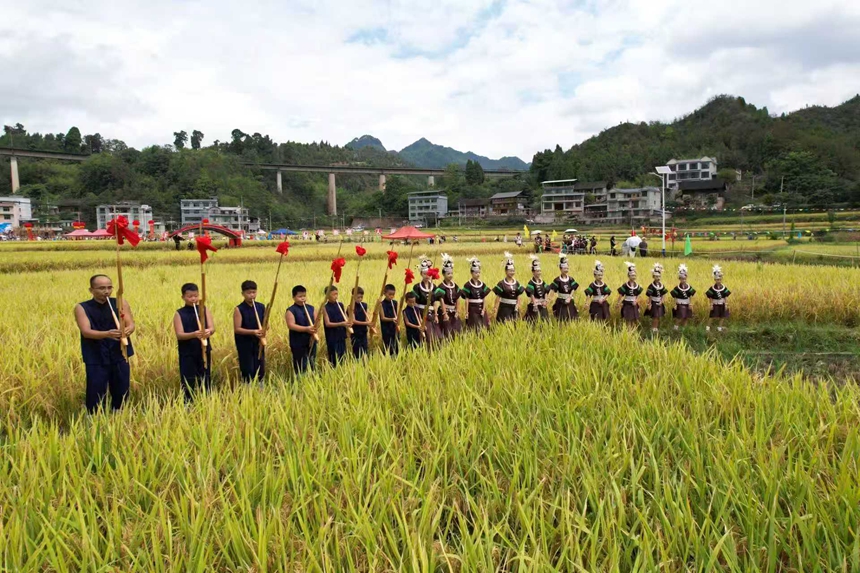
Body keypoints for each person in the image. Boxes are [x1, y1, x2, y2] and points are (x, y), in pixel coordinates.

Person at [74, 274, 136, 413]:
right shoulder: (82, 307)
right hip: (95, 354)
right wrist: (107, 334)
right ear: (91, 290)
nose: (106, 291)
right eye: (101, 288)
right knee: (96, 389)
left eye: (109, 287)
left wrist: (127, 330)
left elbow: (131, 324)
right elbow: (86, 331)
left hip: (119, 352)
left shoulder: (120, 302)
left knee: (121, 388)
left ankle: (120, 416)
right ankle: (94, 418)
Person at [173, 283, 215, 402]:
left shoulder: (204, 309)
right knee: (188, 379)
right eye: (190, 296)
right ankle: (188, 403)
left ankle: (207, 400)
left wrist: (208, 331)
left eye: (195, 296)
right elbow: (179, 335)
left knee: (205, 377)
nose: (193, 299)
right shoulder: (179, 313)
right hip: (187, 352)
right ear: (183, 297)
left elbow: (212, 328)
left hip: (204, 349)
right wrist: (194, 334)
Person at [232, 280, 266, 384]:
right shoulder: (239, 309)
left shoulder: (261, 306)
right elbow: (237, 329)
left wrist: (264, 328)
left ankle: (260, 390)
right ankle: (248, 391)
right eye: (248, 293)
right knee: (248, 369)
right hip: (245, 343)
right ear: (243, 294)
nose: (252, 295)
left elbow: (266, 324)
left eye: (254, 292)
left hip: (258, 341)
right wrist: (253, 332)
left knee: (260, 367)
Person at [285, 285, 317, 375]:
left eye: (304, 296)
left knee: (312, 361)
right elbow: (291, 325)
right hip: (298, 341)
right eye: (300, 296)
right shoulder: (291, 310)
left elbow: (316, 322)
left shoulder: (311, 308)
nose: (303, 298)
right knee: (300, 364)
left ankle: (312, 379)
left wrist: (313, 332)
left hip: (311, 339)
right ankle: (300, 381)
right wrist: (306, 329)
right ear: (293, 297)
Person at [413, 257, 442, 346]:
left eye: (428, 274)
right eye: (425, 274)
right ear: (421, 274)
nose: (427, 276)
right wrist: (418, 318)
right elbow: (415, 303)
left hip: (432, 313)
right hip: (422, 313)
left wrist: (436, 315)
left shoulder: (434, 287)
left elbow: (435, 303)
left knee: (438, 336)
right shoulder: (417, 287)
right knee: (428, 336)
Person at [434, 253, 462, 338]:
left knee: (457, 331)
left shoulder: (455, 286)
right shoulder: (441, 287)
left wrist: (457, 311)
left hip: (453, 312)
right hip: (444, 312)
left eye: (451, 273)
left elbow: (457, 299)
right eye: (448, 274)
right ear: (443, 274)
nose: (450, 275)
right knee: (446, 332)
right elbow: (441, 300)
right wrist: (444, 313)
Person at [460, 256, 492, 330]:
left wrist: (484, 309)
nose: (478, 274)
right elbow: (466, 300)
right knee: (474, 327)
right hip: (472, 309)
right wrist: (466, 312)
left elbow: (484, 298)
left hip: (481, 308)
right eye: (476, 272)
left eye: (479, 272)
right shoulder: (468, 285)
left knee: (485, 327)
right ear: (471, 273)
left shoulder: (482, 284)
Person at [323, 286, 350, 366]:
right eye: (333, 294)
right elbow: (328, 323)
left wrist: (348, 325)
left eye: (337, 294)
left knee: (343, 355)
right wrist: (341, 324)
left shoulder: (340, 305)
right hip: (332, 336)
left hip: (341, 334)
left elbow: (346, 318)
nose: (336, 296)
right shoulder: (325, 307)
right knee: (334, 357)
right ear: (327, 296)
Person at [493, 252, 524, 322]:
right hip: (504, 308)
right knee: (503, 324)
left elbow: (518, 296)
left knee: (515, 326)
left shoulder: (517, 283)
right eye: (510, 271)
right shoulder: (501, 283)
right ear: (506, 271)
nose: (512, 272)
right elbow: (498, 297)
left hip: (514, 308)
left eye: (513, 271)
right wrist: (495, 308)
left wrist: (517, 306)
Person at [549, 253, 579, 321]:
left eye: (567, 268)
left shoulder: (571, 279)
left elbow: (573, 288)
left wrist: (569, 297)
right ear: (560, 269)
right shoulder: (557, 280)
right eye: (564, 268)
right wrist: (549, 299)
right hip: (561, 301)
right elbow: (553, 290)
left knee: (572, 318)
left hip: (570, 300)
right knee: (562, 318)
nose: (566, 270)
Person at [616, 262, 643, 328]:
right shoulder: (625, 285)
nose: (633, 277)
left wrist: (636, 301)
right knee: (628, 318)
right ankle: (628, 331)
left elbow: (638, 295)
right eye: (632, 275)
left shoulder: (637, 286)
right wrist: (618, 303)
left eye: (634, 275)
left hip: (634, 304)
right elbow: (621, 295)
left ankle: (633, 330)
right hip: (627, 303)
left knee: (634, 318)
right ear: (628, 276)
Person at [706, 265, 732, 332]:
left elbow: (725, 296)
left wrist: (726, 304)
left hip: (722, 303)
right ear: (715, 280)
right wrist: (711, 304)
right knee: (712, 316)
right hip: (715, 303)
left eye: (720, 279)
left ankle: (719, 327)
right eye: (717, 280)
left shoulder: (724, 287)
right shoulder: (712, 288)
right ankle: (707, 328)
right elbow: (710, 297)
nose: (718, 281)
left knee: (722, 316)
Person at [670, 264, 696, 330]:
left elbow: (690, 295)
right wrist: (675, 304)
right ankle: (676, 327)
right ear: (679, 279)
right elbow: (674, 296)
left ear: (686, 278)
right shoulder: (677, 288)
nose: (683, 280)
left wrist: (690, 303)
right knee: (680, 316)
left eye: (684, 279)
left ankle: (684, 328)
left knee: (686, 316)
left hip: (687, 303)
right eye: (682, 279)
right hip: (680, 303)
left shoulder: (689, 287)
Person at [644, 263, 668, 333]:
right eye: (656, 277)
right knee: (655, 316)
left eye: (659, 276)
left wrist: (662, 301)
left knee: (658, 316)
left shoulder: (661, 285)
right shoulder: (651, 286)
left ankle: (656, 328)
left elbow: (663, 294)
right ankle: (653, 328)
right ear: (653, 277)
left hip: (659, 303)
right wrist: (649, 304)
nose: (658, 278)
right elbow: (650, 296)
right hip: (654, 303)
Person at [524, 255, 549, 322]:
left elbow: (546, 291)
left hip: (543, 304)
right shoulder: (531, 282)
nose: (539, 273)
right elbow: (531, 293)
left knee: (545, 321)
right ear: (533, 272)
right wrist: (535, 304)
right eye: (537, 271)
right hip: (535, 304)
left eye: (540, 271)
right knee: (534, 321)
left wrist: (546, 301)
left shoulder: (542, 282)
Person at [349, 287, 371, 359]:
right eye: (358, 297)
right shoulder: (350, 307)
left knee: (365, 350)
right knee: (357, 352)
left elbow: (366, 316)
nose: (360, 299)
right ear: (353, 297)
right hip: (355, 333)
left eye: (361, 297)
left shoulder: (364, 305)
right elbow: (353, 321)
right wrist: (366, 323)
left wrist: (370, 323)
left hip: (363, 332)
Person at [379, 284, 399, 355]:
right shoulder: (381, 304)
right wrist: (392, 319)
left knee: (396, 344)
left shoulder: (395, 303)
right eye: (389, 294)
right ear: (384, 293)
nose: (391, 296)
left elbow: (397, 314)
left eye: (393, 294)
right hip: (386, 328)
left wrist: (397, 321)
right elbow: (383, 318)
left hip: (394, 326)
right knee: (388, 345)